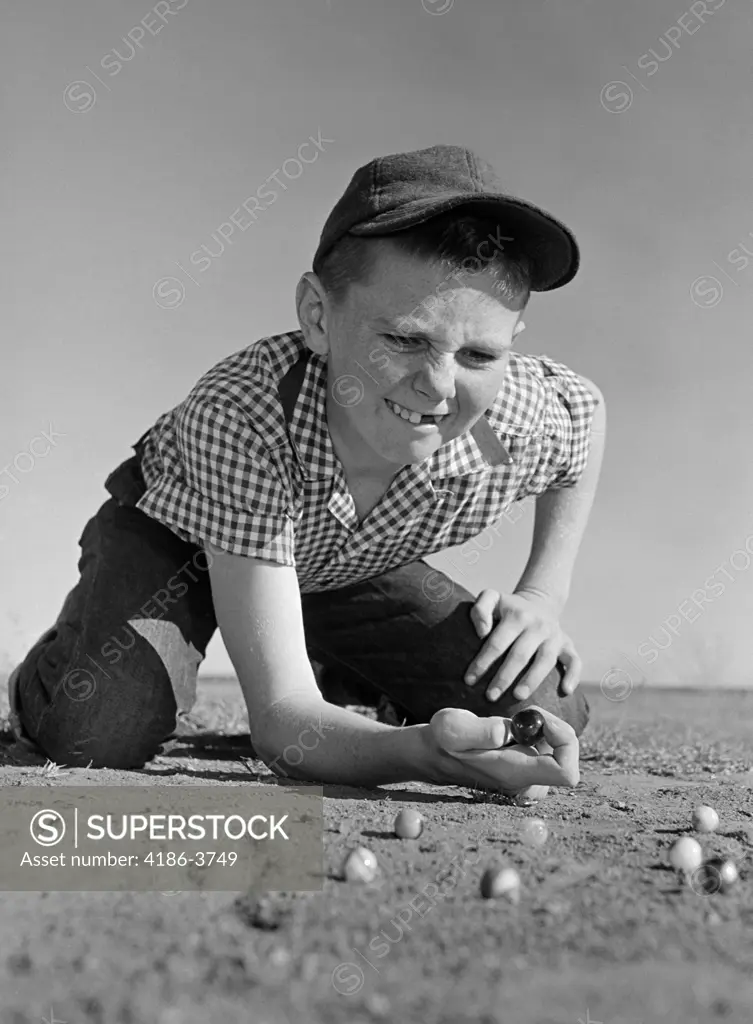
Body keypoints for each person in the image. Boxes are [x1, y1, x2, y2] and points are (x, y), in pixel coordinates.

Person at [8, 144, 605, 802]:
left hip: (335, 561)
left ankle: (344, 671)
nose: (438, 386)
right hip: (175, 547)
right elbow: (281, 725)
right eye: (403, 339)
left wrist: (541, 596)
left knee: (539, 703)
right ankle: (50, 677)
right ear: (317, 316)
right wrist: (423, 754)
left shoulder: (510, 417)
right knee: (101, 726)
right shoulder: (245, 416)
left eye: (479, 352)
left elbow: (585, 417)